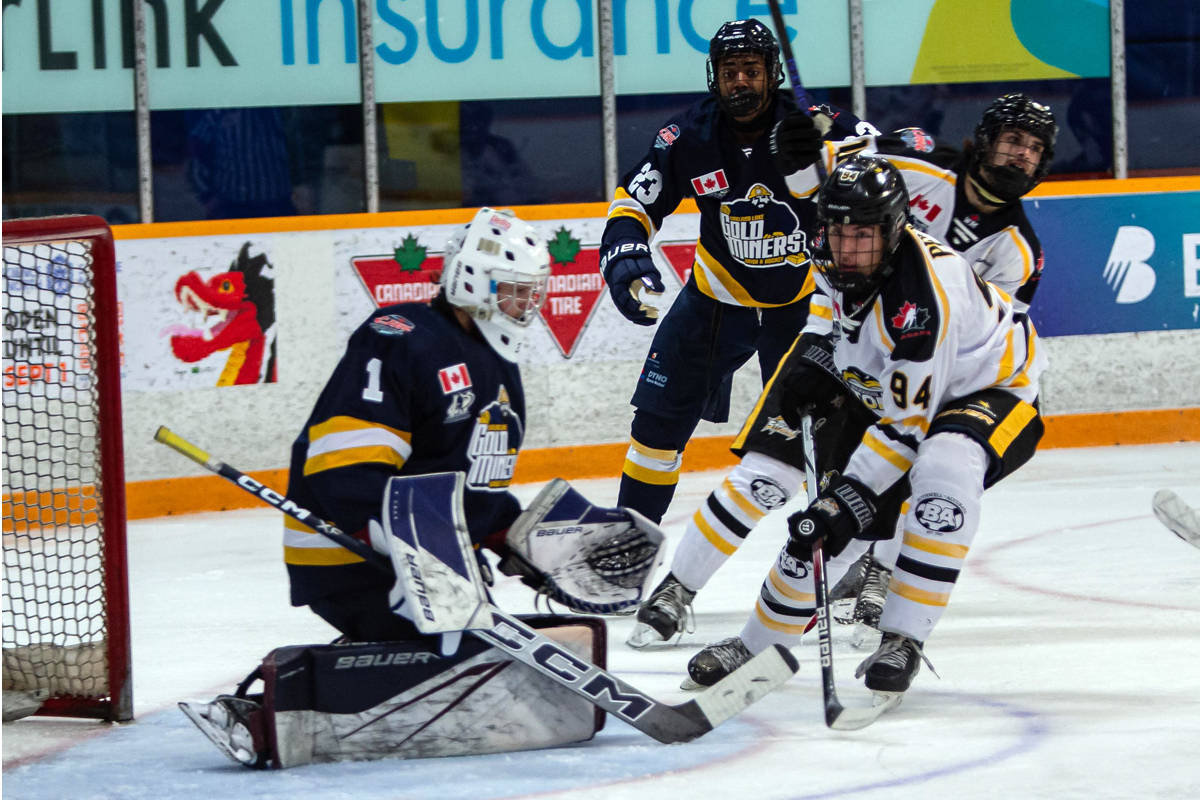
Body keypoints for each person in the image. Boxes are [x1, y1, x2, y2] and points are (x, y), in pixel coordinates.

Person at [179, 210, 623, 767]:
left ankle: (340, 679)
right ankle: (277, 708)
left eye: (530, 292)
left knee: (475, 649)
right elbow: (345, 471)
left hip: (427, 554)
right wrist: (410, 543)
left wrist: (521, 539)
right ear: (471, 284)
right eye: (512, 290)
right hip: (350, 548)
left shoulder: (499, 369)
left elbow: (471, 492)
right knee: (458, 653)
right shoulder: (400, 338)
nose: (525, 305)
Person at [628, 94, 1058, 647]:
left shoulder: (1019, 250)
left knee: (898, 476)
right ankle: (677, 588)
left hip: (917, 369)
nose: (1020, 156)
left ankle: (878, 573)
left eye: (1033, 149)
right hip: (840, 342)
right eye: (1013, 141)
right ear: (986, 138)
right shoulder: (918, 163)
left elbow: (977, 338)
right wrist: (801, 150)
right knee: (765, 472)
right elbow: (825, 183)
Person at [601, 19, 874, 645]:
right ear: (714, 78)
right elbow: (633, 201)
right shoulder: (687, 137)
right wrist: (626, 258)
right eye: (730, 71)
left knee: (819, 441)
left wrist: (827, 151)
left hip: (804, 308)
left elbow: (884, 166)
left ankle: (837, 563)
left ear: (773, 74)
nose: (742, 80)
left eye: (753, 69)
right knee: (656, 425)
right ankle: (627, 564)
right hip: (716, 297)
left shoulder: (813, 123)